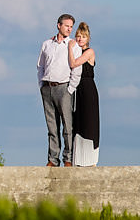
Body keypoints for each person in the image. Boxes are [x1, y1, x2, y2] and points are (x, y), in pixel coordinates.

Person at [36, 13, 82, 166]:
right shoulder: (47, 44)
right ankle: (52, 159)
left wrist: (70, 89)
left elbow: (77, 69)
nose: (69, 29)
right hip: (48, 87)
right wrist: (42, 85)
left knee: (67, 126)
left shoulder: (73, 46)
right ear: (59, 25)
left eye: (71, 27)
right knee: (52, 126)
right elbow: (40, 66)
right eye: (67, 26)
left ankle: (67, 159)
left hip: (64, 88)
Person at [69, 21, 100, 167]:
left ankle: (91, 159)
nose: (80, 39)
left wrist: (69, 48)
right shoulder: (75, 51)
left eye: (83, 36)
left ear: (87, 38)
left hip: (87, 87)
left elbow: (74, 63)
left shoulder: (89, 52)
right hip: (76, 87)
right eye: (78, 36)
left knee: (89, 122)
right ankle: (78, 159)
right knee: (77, 122)